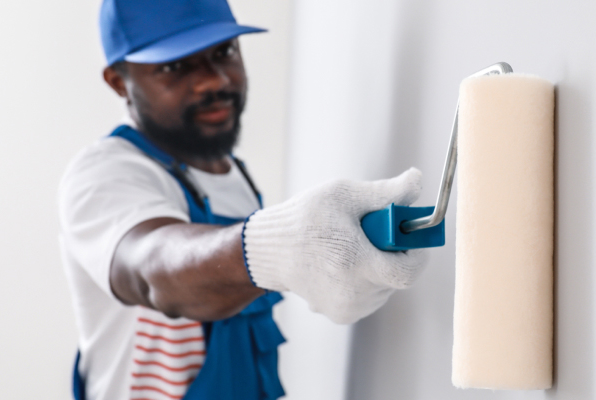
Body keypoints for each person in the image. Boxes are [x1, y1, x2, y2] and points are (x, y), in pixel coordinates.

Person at [58, 0, 429, 399]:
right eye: (174, 67)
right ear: (118, 80)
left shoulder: (236, 175)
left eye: (223, 52)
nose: (212, 82)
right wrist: (275, 247)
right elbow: (154, 270)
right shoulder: (104, 175)